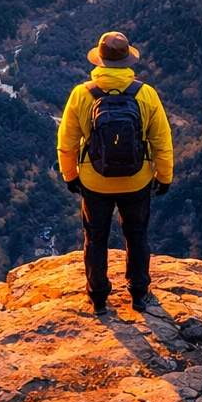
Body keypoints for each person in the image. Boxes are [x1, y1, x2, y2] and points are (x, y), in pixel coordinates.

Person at [57, 31, 174, 313]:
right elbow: (162, 140)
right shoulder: (145, 94)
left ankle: (98, 297)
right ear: (127, 61)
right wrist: (164, 176)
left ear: (100, 61)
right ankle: (138, 294)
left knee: (96, 238)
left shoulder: (81, 94)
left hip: (95, 181)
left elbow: (66, 142)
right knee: (136, 235)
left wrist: (70, 175)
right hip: (137, 180)